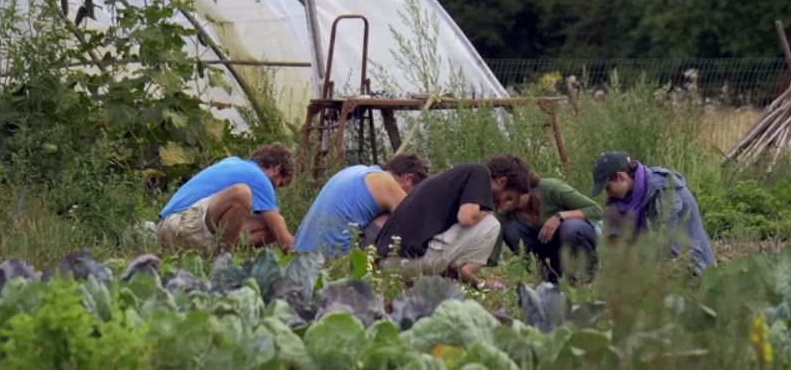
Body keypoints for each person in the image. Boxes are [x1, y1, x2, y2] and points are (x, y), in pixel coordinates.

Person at [373, 154, 533, 288]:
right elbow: (466, 217)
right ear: (502, 181)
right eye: (509, 198)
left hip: (386, 264)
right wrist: (489, 211)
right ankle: (444, 281)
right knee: (493, 224)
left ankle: (443, 283)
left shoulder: (454, 180)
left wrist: (482, 285)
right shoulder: (480, 173)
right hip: (407, 261)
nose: (504, 205)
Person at [590, 151, 716, 273]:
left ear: (621, 177)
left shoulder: (663, 190)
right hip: (653, 263)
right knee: (611, 212)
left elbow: (666, 244)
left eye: (608, 188)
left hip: (688, 264)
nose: (608, 194)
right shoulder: (628, 197)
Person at [157, 142, 296, 252]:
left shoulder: (233, 162)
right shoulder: (259, 177)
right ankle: (223, 259)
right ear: (277, 168)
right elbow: (285, 242)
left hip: (167, 229)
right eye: (280, 183)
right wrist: (305, 257)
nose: (276, 188)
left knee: (274, 226)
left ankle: (216, 254)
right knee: (242, 193)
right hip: (179, 224)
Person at [292, 153, 430, 255]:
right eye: (413, 193)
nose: (409, 197)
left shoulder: (358, 170)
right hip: (329, 261)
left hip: (300, 253)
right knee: (395, 217)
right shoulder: (389, 184)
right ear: (407, 179)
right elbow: (419, 226)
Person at [490, 174, 601, 283]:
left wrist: (560, 217)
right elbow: (496, 244)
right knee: (512, 231)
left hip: (574, 242)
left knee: (571, 228)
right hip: (549, 252)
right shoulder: (507, 210)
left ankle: (587, 276)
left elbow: (595, 210)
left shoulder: (550, 188)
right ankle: (546, 276)